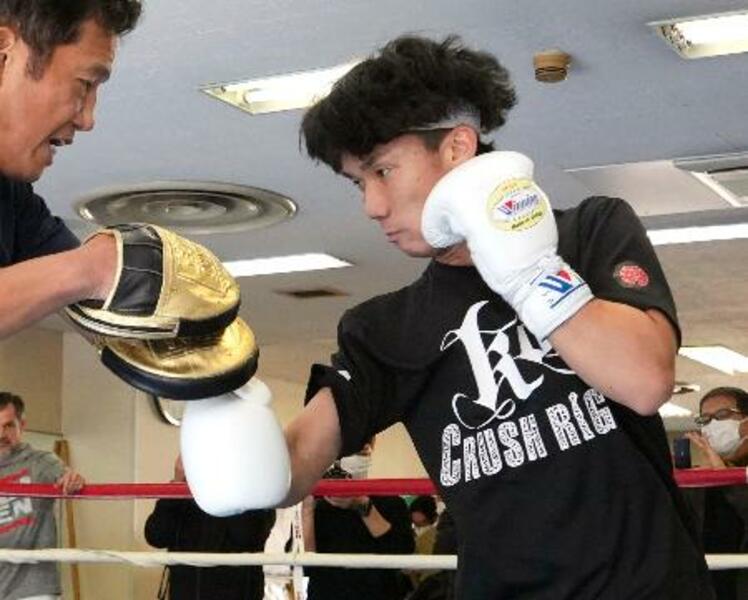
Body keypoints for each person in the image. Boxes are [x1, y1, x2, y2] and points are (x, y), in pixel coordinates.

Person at [281, 34, 714, 598]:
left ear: (458, 147)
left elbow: (645, 381)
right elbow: (293, 464)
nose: (372, 205)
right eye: (358, 183)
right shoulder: (387, 327)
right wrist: (217, 390)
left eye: (382, 171)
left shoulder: (588, 233)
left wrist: (529, 269)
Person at [0, 0, 142, 339]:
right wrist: (91, 269)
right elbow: (94, 269)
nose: (87, 119)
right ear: (4, 56)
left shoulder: (13, 199)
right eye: (85, 84)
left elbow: (115, 298)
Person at [144, 455, 276, 600]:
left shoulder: (252, 491)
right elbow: (156, 536)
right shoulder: (185, 493)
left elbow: (248, 536)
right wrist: (177, 483)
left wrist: (232, 482)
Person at [302, 439, 415, 600]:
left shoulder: (391, 503)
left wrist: (362, 504)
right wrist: (306, 509)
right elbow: (305, 566)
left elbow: (402, 553)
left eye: (360, 450)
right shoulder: (318, 507)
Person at [0, 391, 85, 600]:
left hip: (34, 590)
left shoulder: (40, 462)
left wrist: (72, 479)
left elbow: (65, 475)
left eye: (8, 425)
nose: (1, 434)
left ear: (22, 425)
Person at [683, 387, 748, 599]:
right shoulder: (699, 481)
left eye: (722, 415)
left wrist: (725, 476)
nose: (712, 424)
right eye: (705, 419)